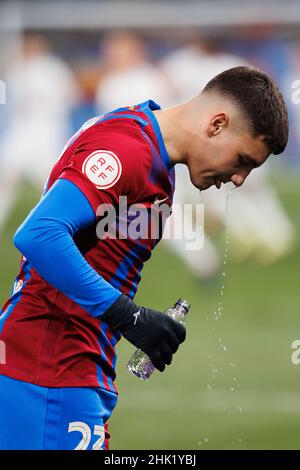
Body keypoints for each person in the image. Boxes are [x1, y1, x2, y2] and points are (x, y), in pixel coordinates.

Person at [0, 66, 288, 450]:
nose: (240, 179)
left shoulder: (153, 157)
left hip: (66, 370)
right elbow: (40, 234)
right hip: (47, 372)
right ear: (217, 124)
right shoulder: (129, 148)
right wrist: (127, 315)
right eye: (243, 160)